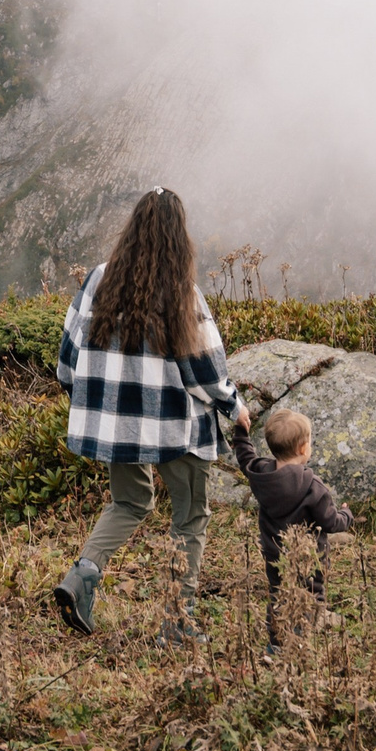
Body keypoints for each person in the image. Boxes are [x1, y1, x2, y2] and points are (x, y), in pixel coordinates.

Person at [50, 187, 241, 644]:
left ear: (132, 229)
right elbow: (205, 371)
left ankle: (81, 577)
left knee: (130, 502)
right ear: (179, 238)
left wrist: (83, 393)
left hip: (118, 424)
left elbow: (68, 352)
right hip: (176, 427)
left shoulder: (98, 279)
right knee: (190, 517)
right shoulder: (183, 292)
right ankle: (177, 624)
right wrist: (234, 405)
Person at [227, 402, 354, 653]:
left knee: (278, 594)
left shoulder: (262, 474)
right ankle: (297, 646)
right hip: (308, 558)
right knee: (308, 597)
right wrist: (347, 514)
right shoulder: (312, 486)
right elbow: (331, 522)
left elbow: (245, 456)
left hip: (274, 554)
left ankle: (276, 646)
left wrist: (241, 432)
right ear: (303, 448)